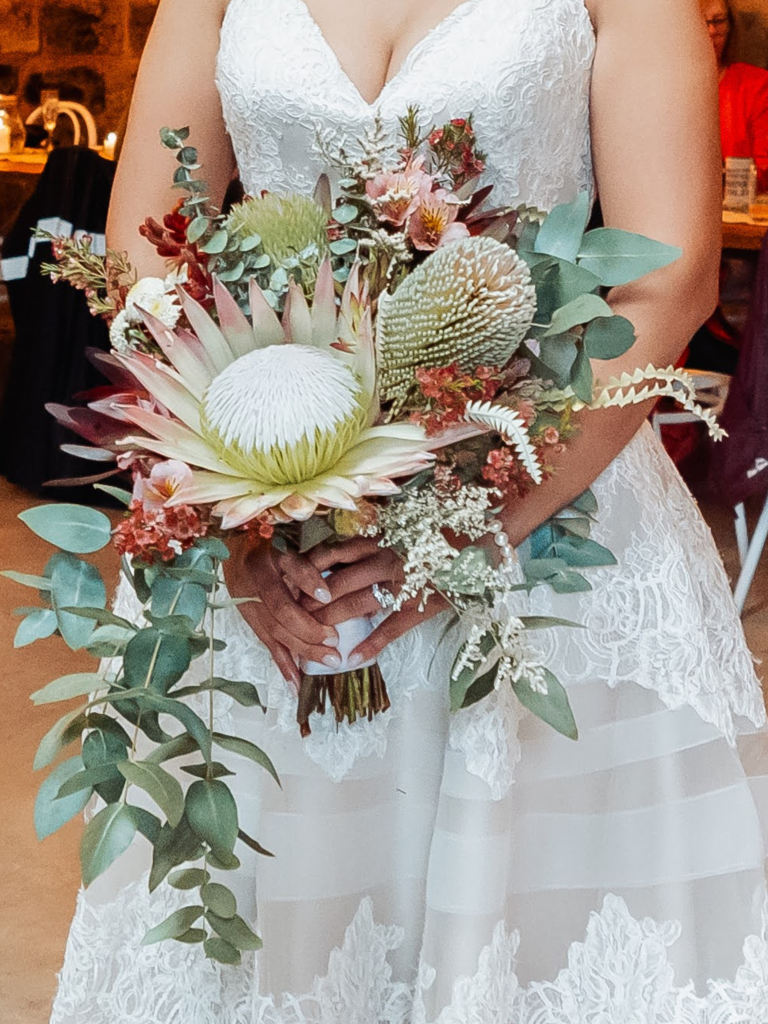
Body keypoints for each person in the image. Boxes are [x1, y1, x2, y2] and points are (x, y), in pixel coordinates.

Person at [49, 1, 768, 1021]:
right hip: (265, 517)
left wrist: (469, 516)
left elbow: (670, 275)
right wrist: (241, 511)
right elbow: (141, 247)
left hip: (545, 517)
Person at [702, 0, 768, 190]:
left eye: (719, 21)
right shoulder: (660, 90)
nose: (712, 31)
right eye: (702, 23)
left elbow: (764, 168)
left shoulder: (757, 85)